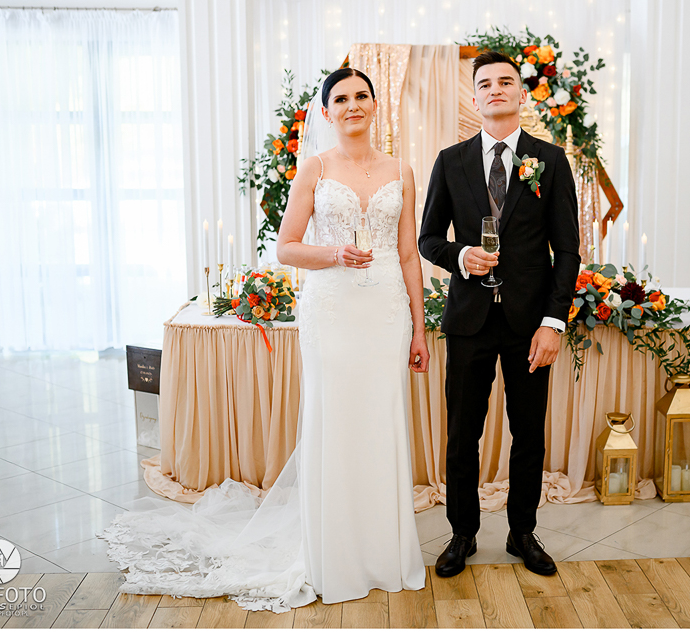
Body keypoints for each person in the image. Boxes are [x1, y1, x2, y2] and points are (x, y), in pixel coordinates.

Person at [99, 68, 429, 611]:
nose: (352, 105)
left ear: (375, 105)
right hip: (334, 311)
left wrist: (418, 327)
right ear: (327, 112)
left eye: (361, 96)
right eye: (341, 98)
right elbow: (287, 247)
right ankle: (334, 553)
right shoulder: (315, 168)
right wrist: (334, 254)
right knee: (335, 422)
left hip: (386, 313)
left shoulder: (402, 170)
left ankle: (383, 551)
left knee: (381, 421)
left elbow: (410, 253)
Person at [418, 50, 580, 578]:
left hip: (529, 325)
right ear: (474, 98)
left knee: (528, 433)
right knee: (463, 433)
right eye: (485, 83)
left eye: (505, 81)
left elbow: (567, 251)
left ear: (521, 94)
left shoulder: (550, 160)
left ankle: (522, 531)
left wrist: (553, 323)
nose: (495, 89)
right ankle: (462, 532)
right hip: (469, 321)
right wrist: (461, 255)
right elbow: (427, 239)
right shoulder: (451, 161)